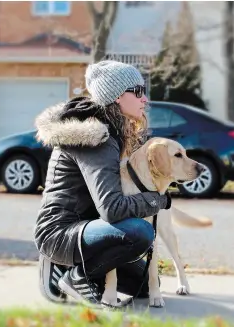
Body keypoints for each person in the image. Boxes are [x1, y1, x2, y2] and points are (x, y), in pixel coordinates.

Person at [33, 60, 171, 307]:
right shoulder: (97, 138)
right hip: (60, 233)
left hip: (88, 228)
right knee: (140, 232)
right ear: (117, 97)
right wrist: (157, 200)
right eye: (138, 91)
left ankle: (81, 270)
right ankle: (75, 275)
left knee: (144, 284)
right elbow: (112, 209)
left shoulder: (112, 132)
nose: (145, 99)